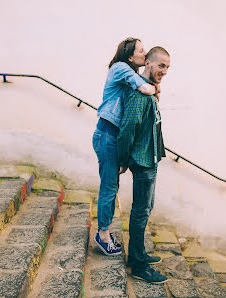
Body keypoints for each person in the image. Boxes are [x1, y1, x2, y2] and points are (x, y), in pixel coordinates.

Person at [93, 38, 160, 256]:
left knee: (112, 186)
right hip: (107, 134)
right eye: (141, 50)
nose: (145, 52)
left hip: (112, 136)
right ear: (130, 56)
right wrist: (154, 87)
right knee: (109, 187)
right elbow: (144, 88)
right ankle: (103, 234)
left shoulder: (129, 75)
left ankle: (105, 230)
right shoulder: (121, 67)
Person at [118, 46, 171, 283]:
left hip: (150, 157)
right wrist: (123, 159)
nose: (165, 71)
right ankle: (138, 265)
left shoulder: (148, 91)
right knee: (141, 212)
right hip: (142, 160)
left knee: (146, 207)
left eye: (168, 67)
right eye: (161, 65)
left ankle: (139, 254)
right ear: (147, 63)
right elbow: (127, 128)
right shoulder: (139, 93)